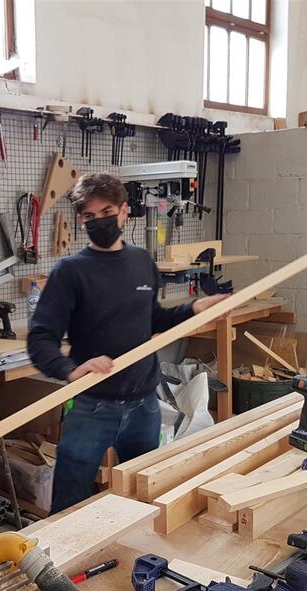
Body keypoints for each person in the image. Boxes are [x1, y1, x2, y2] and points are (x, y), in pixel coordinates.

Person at [27, 172, 229, 512]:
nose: (98, 221)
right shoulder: (70, 272)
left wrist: (193, 308)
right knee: (70, 501)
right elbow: (40, 338)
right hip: (91, 405)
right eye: (89, 216)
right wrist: (71, 370)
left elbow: (151, 319)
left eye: (106, 212)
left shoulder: (141, 262)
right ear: (80, 220)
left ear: (124, 212)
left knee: (140, 496)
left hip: (144, 404)